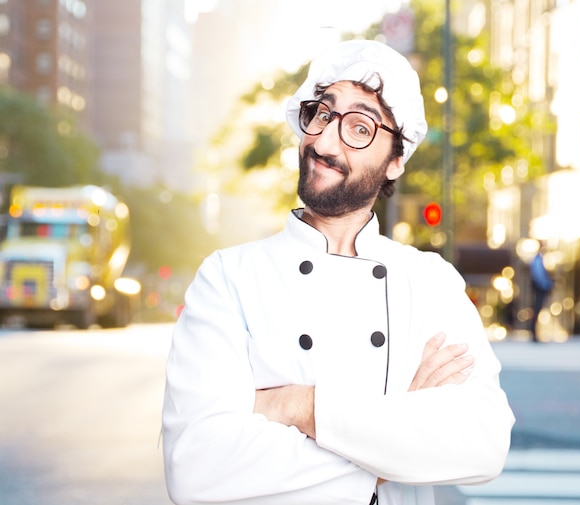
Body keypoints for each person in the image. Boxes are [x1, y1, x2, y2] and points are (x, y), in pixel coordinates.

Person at [162, 39, 515, 505]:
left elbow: (482, 444)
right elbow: (195, 467)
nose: (325, 141)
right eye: (322, 114)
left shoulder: (431, 282)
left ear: (395, 159)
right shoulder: (229, 277)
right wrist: (392, 443)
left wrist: (294, 405)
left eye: (360, 126)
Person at [529, 246, 554, 342]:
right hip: (540, 288)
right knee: (536, 309)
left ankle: (534, 332)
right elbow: (539, 276)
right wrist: (547, 285)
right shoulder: (538, 260)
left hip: (540, 287)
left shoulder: (538, 260)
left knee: (537, 310)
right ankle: (533, 332)